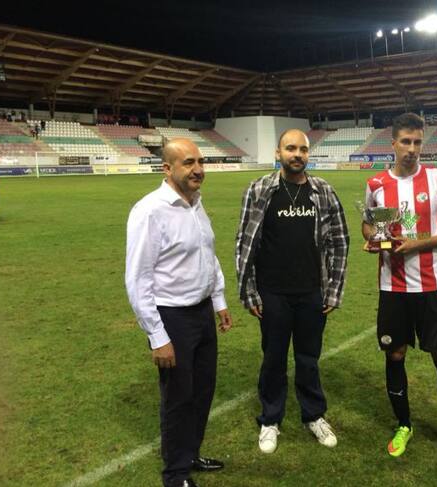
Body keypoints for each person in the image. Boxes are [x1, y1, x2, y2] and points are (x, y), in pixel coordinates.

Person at [361, 113, 437, 474]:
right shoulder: (376, 183)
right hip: (392, 288)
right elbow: (369, 225)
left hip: (431, 286)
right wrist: (373, 240)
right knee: (395, 354)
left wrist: (417, 244)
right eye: (405, 141)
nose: (411, 149)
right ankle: (404, 425)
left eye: (417, 142)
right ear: (392, 143)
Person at [125, 138, 233, 487]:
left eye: (200, 162)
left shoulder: (196, 203)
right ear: (167, 168)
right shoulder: (150, 211)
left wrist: (218, 300)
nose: (198, 169)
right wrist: (157, 337)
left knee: (202, 391)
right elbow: (138, 279)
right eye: (188, 163)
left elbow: (207, 255)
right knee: (178, 398)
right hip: (172, 318)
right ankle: (175, 475)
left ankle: (190, 454)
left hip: (201, 313)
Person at [235, 128, 349, 454]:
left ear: (308, 154)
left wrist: (333, 290)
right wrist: (249, 291)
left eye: (302, 149)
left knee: (308, 359)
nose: (297, 154)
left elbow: (340, 242)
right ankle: (270, 419)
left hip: (312, 292)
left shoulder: (323, 191)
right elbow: (245, 243)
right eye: (290, 148)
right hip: (272, 293)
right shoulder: (259, 190)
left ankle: (314, 415)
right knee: (273, 359)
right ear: (278, 153)